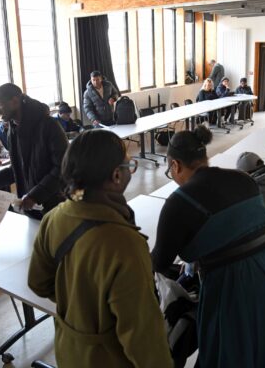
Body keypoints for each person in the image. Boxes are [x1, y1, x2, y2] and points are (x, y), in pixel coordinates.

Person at [152, 126, 265, 368]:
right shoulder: (243, 179)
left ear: (175, 165)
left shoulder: (179, 202)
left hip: (242, 287)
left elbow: (159, 263)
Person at [28, 130, 173, 368]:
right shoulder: (125, 244)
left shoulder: (53, 218)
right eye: (129, 165)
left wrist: (81, 304)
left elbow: (38, 283)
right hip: (109, 358)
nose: (130, 169)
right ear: (116, 175)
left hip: (69, 349)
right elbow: (142, 336)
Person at [0, 83, 68, 217]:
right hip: (30, 205)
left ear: (15, 101)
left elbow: (62, 168)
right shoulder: (12, 129)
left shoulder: (49, 125)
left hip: (53, 207)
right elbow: (16, 169)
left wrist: (35, 195)